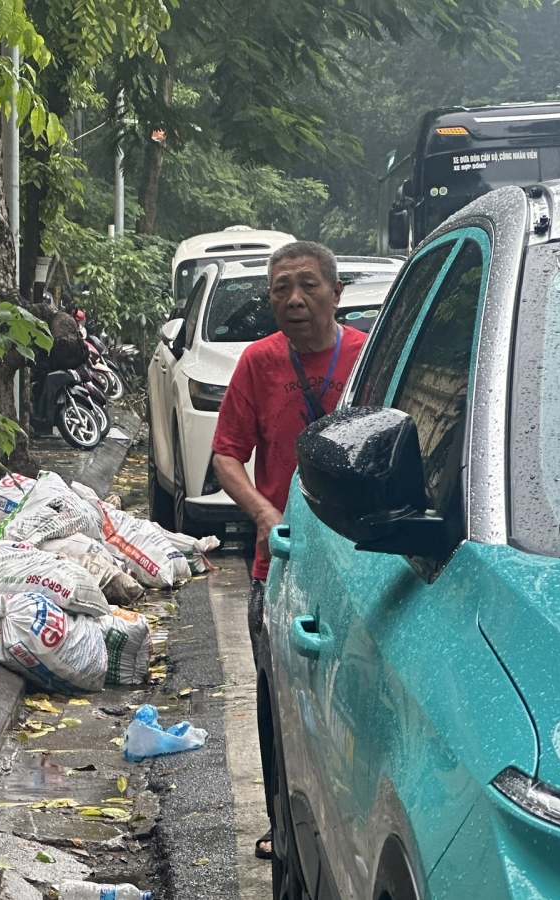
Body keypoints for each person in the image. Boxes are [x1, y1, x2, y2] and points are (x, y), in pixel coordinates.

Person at [209, 240, 364, 861]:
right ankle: (281, 820)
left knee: (351, 704)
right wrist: (264, 512)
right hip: (281, 566)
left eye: (308, 285)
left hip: (358, 565)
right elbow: (226, 456)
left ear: (336, 293)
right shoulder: (258, 362)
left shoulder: (368, 356)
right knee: (278, 700)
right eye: (281, 289)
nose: (295, 299)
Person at [28, 297, 90, 435]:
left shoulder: (53, 325)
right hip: (70, 357)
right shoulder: (66, 319)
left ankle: (43, 416)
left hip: (61, 357)